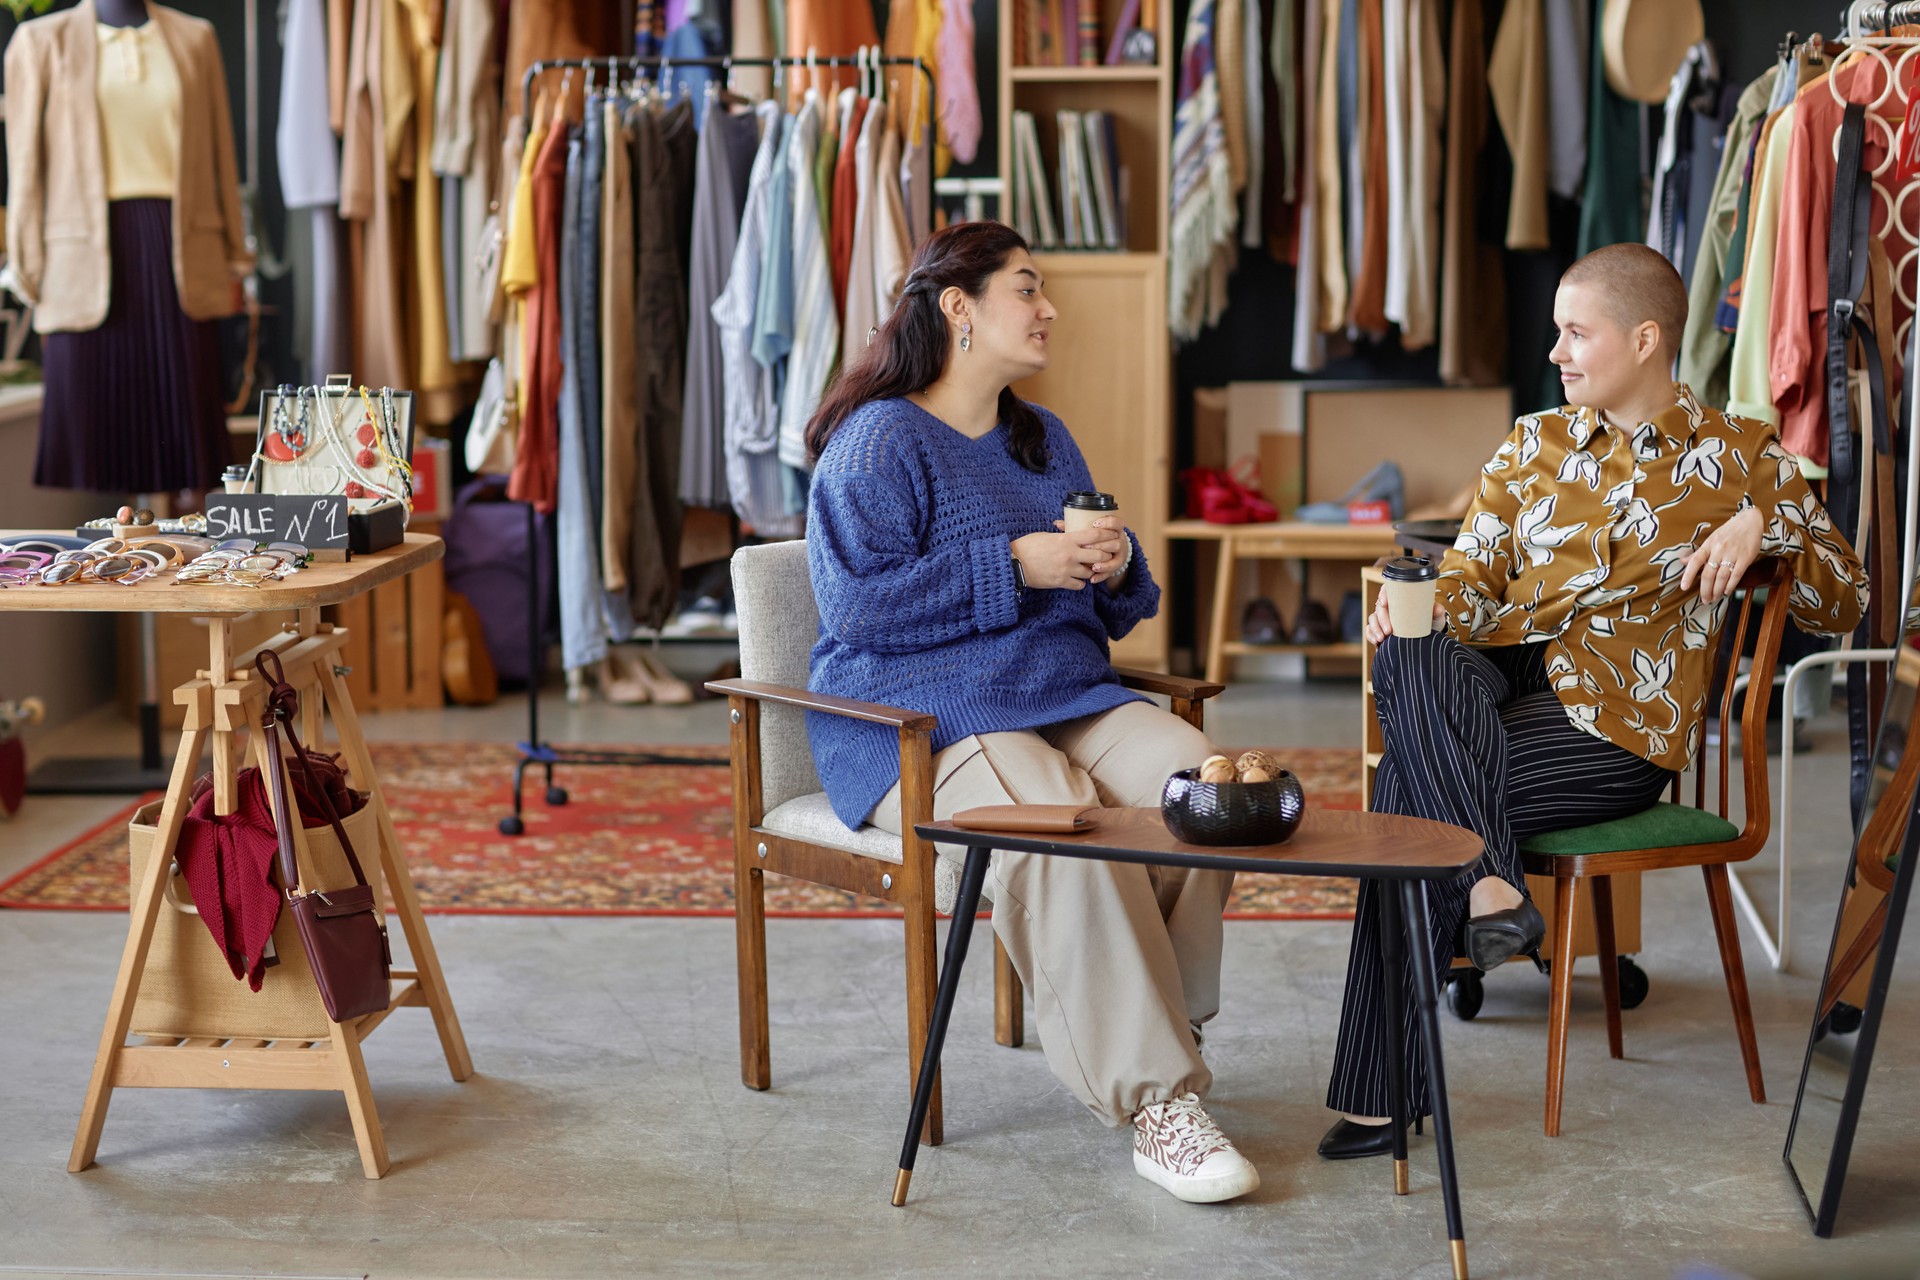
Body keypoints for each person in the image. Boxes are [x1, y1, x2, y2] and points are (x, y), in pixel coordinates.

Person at [1320, 243, 1870, 1160]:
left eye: (1577, 332)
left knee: (1407, 804)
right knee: (1415, 635)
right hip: (1491, 681)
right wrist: (1411, 607)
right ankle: (1491, 882)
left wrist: (1767, 522)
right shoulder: (1532, 442)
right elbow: (1470, 579)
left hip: (1612, 724)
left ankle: (1386, 1095)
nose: (1556, 353)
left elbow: (1845, 601)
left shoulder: (1739, 457)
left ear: (1646, 338)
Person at [804, 220, 1259, 1204]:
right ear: (957, 307)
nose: (1048, 307)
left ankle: (1164, 1021)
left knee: (1197, 787)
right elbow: (856, 609)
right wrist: (1016, 563)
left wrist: (1112, 562)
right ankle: (1160, 1101)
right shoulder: (877, 439)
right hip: (921, 714)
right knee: (1056, 826)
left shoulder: (1041, 437)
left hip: (1061, 690)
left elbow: (1111, 605)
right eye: (1027, 288)